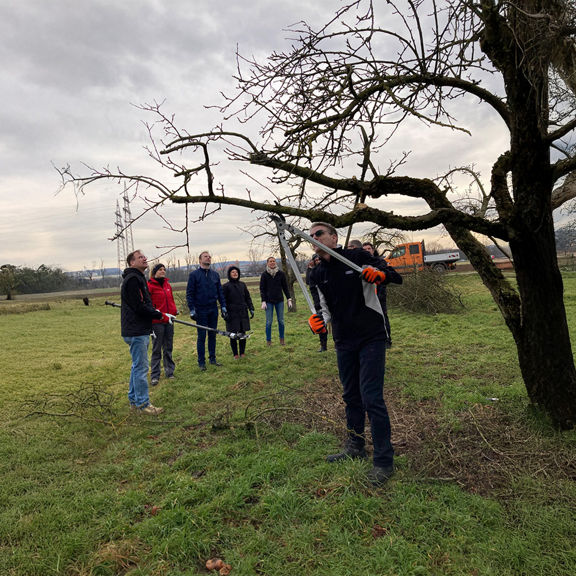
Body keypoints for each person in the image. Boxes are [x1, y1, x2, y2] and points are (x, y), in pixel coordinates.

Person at [307, 222, 394, 485]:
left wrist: (378, 274)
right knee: (351, 396)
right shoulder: (317, 274)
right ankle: (355, 446)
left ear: (333, 237)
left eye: (319, 234)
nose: (314, 239)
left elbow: (393, 275)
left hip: (371, 336)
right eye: (311, 237)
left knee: (371, 398)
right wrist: (317, 322)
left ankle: (383, 461)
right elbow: (322, 309)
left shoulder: (356, 257)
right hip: (343, 340)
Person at [121, 250, 166, 415]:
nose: (145, 258)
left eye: (144, 257)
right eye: (140, 257)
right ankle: (143, 404)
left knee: (136, 366)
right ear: (132, 263)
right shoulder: (133, 279)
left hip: (136, 329)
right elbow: (139, 306)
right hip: (136, 330)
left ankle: (134, 400)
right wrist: (158, 313)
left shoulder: (136, 278)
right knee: (141, 368)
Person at [186, 251, 227, 371]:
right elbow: (190, 293)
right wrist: (192, 309)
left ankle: (212, 359)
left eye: (209, 257)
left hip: (213, 309)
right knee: (202, 336)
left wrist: (223, 306)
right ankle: (201, 362)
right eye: (205, 256)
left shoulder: (215, 275)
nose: (208, 258)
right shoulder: (194, 275)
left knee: (212, 335)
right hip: (200, 310)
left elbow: (220, 292)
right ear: (200, 260)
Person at [362, 242, 403, 348]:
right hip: (366, 297)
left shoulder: (379, 261)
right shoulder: (359, 262)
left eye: (369, 248)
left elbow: (395, 277)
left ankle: (387, 340)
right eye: (364, 249)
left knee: (382, 317)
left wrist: (382, 275)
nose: (367, 251)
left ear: (373, 250)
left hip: (379, 293)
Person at [148, 263, 178, 385]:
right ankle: (155, 375)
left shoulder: (167, 285)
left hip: (169, 321)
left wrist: (174, 310)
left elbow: (171, 300)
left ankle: (169, 372)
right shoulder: (149, 286)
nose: (163, 271)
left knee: (168, 347)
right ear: (154, 272)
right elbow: (148, 305)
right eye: (160, 269)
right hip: (157, 322)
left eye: (164, 269)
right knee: (156, 349)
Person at [259, 256, 292, 346]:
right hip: (268, 301)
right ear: (267, 263)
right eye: (270, 261)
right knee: (269, 322)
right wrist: (263, 301)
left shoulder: (281, 274)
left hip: (279, 301)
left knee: (281, 321)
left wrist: (289, 298)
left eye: (274, 261)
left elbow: (285, 287)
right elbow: (262, 289)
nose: (272, 262)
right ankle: (268, 341)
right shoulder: (264, 275)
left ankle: (282, 339)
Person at [222, 266, 254, 358]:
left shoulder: (243, 285)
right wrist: (224, 312)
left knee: (242, 334)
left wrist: (251, 308)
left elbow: (247, 298)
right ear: (229, 274)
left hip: (242, 312)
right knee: (233, 335)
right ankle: (235, 354)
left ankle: (242, 353)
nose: (235, 273)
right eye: (233, 272)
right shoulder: (226, 286)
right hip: (231, 313)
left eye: (236, 272)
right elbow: (223, 300)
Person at [305, 255, 328, 352]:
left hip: (331, 301)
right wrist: (309, 269)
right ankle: (323, 346)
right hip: (319, 302)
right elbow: (308, 283)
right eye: (316, 260)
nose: (318, 261)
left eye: (319, 259)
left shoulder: (327, 269)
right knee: (321, 324)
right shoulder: (313, 273)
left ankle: (337, 345)